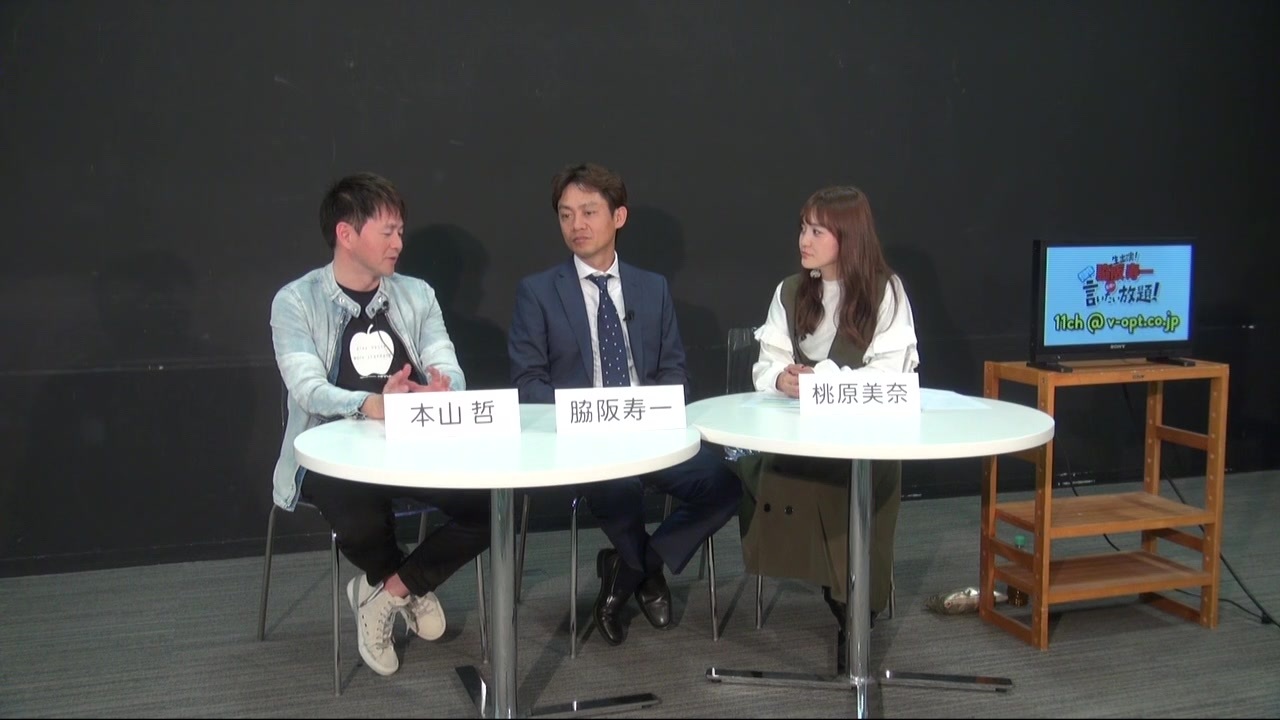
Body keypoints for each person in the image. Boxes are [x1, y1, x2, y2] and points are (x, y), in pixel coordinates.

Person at [507, 162, 742, 647]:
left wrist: (652, 413)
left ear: (619, 217)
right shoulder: (538, 292)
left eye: (589, 212)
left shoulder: (651, 288)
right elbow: (528, 385)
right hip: (582, 439)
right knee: (618, 486)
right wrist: (589, 416)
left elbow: (675, 372)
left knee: (724, 486)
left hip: (649, 431)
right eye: (566, 214)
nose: (576, 225)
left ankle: (630, 568)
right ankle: (642, 573)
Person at [270, 172, 489, 677]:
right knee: (362, 519)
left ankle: (389, 592)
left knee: (490, 506)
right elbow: (307, 388)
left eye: (401, 232)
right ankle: (402, 582)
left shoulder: (417, 294)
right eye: (387, 232)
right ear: (346, 234)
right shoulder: (296, 300)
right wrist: (373, 405)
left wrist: (443, 389)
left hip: (413, 444)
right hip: (329, 454)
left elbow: (446, 362)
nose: (398, 243)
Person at [737, 185, 919, 667]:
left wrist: (822, 381)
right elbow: (767, 364)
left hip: (864, 441)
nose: (804, 240)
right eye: (803, 228)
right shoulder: (790, 291)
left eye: (817, 231)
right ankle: (844, 602)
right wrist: (782, 378)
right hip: (799, 440)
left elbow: (890, 376)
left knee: (856, 481)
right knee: (774, 474)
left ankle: (855, 608)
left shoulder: (885, 290)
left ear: (849, 236)